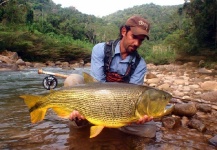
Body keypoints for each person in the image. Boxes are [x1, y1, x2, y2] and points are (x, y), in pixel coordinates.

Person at [68, 15, 157, 138]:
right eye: (134, 37)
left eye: (141, 40)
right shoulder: (100, 49)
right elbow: (96, 86)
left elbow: (134, 96)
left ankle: (110, 124)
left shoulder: (140, 64)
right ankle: (81, 119)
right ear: (124, 32)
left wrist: (140, 115)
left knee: (150, 131)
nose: (137, 43)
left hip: (121, 108)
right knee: (73, 80)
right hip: (95, 99)